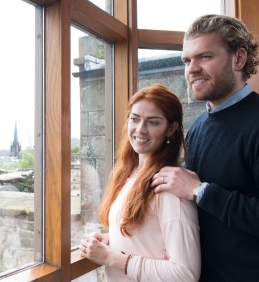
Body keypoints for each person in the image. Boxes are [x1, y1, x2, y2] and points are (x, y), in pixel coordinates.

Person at [151, 14, 259, 281]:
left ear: (239, 59)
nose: (191, 69)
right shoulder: (198, 127)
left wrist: (201, 191)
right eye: (187, 60)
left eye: (204, 57)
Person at [79, 83, 201, 282]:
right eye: (135, 119)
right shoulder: (129, 174)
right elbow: (150, 239)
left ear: (171, 129)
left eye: (153, 123)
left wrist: (110, 257)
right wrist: (109, 241)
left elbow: (184, 274)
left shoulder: (168, 187)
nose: (140, 130)